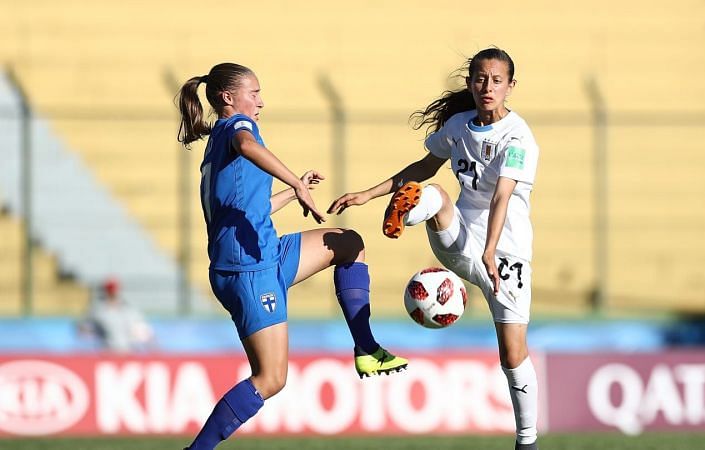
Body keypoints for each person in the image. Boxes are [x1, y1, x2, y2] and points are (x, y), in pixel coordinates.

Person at [175, 62, 407, 450]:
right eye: (255, 93)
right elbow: (248, 145)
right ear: (228, 99)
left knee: (348, 243)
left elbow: (250, 209)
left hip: (265, 254)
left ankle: (366, 347)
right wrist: (296, 183)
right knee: (271, 378)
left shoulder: (218, 145)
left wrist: (293, 189)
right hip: (248, 269)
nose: (261, 102)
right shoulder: (237, 129)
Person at [328, 47, 540, 450]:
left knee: (513, 355)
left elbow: (503, 198)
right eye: (480, 78)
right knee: (437, 193)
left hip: (506, 254)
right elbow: (423, 167)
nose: (487, 87)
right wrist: (367, 195)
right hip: (459, 238)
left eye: (497, 80)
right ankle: (406, 215)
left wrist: (491, 251)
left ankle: (526, 441)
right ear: (470, 82)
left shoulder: (519, 138)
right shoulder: (458, 127)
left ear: (511, 87)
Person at [79, 278, 154, 353]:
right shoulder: (98, 310)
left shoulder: (129, 309)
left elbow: (144, 330)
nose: (112, 293)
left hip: (128, 351)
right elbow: (83, 329)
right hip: (106, 351)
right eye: (110, 290)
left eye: (113, 290)